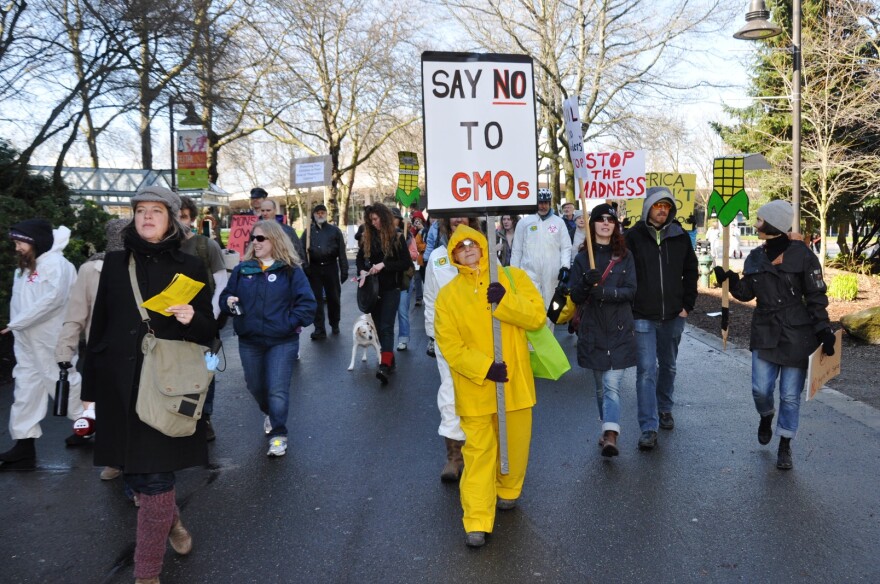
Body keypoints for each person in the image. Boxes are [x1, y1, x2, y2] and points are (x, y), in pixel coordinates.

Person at [80, 186, 215, 583]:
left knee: (155, 478)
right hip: (119, 389)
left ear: (171, 219)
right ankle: (171, 522)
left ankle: (146, 574)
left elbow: (210, 330)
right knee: (136, 476)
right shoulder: (115, 264)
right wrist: (89, 391)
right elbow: (98, 325)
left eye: (157, 210)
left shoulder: (190, 266)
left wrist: (193, 317)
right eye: (141, 210)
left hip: (164, 389)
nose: (147, 216)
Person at [434, 225, 546, 548]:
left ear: (484, 246)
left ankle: (509, 489)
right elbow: (449, 345)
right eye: (461, 246)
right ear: (454, 254)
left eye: (473, 243)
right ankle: (477, 519)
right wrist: (484, 369)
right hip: (475, 389)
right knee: (479, 454)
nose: (468, 249)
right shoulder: (448, 296)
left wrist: (506, 301)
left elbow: (536, 316)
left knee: (515, 443)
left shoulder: (512, 278)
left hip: (513, 386)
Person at [714, 200, 834, 471]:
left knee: (790, 396)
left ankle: (785, 443)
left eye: (759, 220)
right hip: (765, 330)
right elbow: (746, 293)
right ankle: (766, 415)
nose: (756, 224)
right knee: (760, 389)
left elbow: (815, 295)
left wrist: (823, 329)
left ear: (773, 224)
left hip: (797, 333)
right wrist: (730, 280)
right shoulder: (755, 256)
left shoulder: (803, 256)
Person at [220, 220, 316, 457]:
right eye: (253, 237)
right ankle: (271, 414)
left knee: (277, 390)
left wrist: (287, 323)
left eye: (261, 238)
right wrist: (229, 302)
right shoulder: (244, 269)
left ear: (275, 240)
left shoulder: (291, 269)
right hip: (250, 341)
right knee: (255, 386)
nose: (255, 242)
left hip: (282, 341)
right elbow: (225, 297)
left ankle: (278, 434)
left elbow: (307, 305)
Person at [0, 220, 81, 470]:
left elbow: (53, 300)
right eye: (16, 242)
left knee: (61, 383)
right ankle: (24, 444)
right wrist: (17, 326)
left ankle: (87, 423)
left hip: (52, 338)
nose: (17, 247)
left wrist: (16, 324)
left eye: (21, 242)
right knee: (25, 388)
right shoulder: (25, 266)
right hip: (25, 339)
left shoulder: (58, 265)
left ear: (36, 242)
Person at [625, 186, 698, 450]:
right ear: (648, 208)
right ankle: (648, 426)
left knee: (668, 365)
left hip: (673, 316)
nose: (663, 210)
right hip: (642, 315)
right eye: (658, 206)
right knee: (646, 370)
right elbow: (623, 270)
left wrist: (687, 305)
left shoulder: (680, 236)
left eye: (667, 206)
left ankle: (665, 407)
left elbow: (692, 271)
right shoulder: (632, 237)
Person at [54, 218, 128, 479]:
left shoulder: (145, 263)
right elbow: (76, 314)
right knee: (106, 409)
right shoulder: (91, 270)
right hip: (102, 350)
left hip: (138, 348)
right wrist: (65, 349)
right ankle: (115, 460)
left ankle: (136, 469)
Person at [569, 204, 637, 457]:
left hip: (619, 328)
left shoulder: (625, 256)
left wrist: (606, 293)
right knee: (600, 387)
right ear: (593, 224)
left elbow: (631, 291)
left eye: (610, 219)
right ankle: (607, 426)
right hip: (593, 330)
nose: (606, 223)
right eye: (600, 219)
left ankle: (611, 434)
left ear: (615, 225)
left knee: (611, 385)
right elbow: (574, 295)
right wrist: (586, 283)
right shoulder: (582, 258)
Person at [424, 217, 479, 481]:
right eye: (453, 216)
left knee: (480, 392)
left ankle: (478, 453)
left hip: (480, 337)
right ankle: (454, 457)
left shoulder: (483, 249)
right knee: (449, 392)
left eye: (463, 215)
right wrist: (431, 335)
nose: (458, 219)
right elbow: (430, 298)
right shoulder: (436, 256)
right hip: (448, 337)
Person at [179, 196, 228, 442]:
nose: (180, 222)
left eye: (184, 216)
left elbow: (221, 283)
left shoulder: (205, 246)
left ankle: (204, 416)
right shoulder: (161, 248)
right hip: (172, 326)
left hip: (205, 323)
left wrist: (211, 317)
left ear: (192, 219)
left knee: (207, 371)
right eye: (175, 216)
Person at [356, 203, 410, 385]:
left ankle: (384, 365)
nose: (373, 223)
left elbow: (405, 263)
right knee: (379, 328)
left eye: (376, 219)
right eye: (370, 220)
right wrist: (363, 271)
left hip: (391, 289)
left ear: (384, 218)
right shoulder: (366, 237)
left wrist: (384, 265)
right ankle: (390, 359)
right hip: (372, 291)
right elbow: (359, 259)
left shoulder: (396, 236)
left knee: (386, 327)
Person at [510, 188, 572, 315]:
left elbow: (566, 247)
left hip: (552, 274)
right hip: (529, 273)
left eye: (546, 202)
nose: (543, 206)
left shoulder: (558, 222)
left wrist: (565, 267)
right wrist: (513, 272)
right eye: (540, 202)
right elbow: (517, 250)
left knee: (551, 307)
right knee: (531, 307)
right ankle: (532, 334)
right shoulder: (524, 223)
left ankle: (548, 334)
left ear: (550, 203)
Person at [303, 203, 347, 340]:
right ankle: (319, 329)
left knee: (333, 297)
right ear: (314, 215)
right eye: (318, 213)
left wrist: (344, 269)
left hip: (331, 267)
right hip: (314, 269)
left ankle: (335, 323)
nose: (320, 215)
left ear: (326, 214)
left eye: (323, 212)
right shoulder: (308, 232)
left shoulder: (335, 231)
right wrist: (306, 266)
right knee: (316, 300)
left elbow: (341, 252)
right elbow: (301, 251)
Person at [259, 199, 307, 268]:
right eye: (262, 210)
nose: (265, 213)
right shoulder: (256, 231)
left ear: (275, 211)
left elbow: (299, 252)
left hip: (284, 269)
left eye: (268, 210)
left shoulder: (288, 230)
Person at [410, 210, 427, 306]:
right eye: (415, 220)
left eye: (418, 219)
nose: (417, 221)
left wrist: (422, 229)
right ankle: (419, 298)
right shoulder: (412, 231)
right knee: (417, 279)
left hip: (424, 258)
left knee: (426, 279)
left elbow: (426, 244)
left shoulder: (425, 229)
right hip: (416, 260)